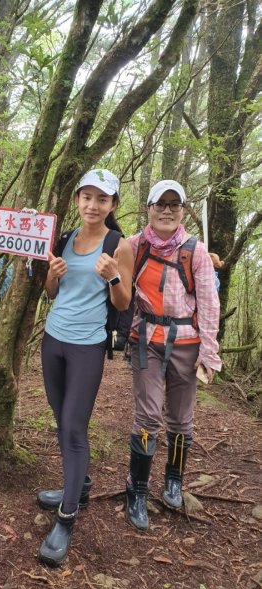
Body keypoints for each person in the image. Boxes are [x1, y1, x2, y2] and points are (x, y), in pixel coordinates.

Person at [36, 169, 134, 567]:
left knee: (74, 429)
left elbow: (124, 303)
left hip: (87, 347)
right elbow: (51, 292)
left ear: (112, 205)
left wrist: (112, 277)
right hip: (52, 340)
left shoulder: (119, 245)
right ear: (77, 200)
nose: (93, 205)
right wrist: (51, 276)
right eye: (86, 197)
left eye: (102, 199)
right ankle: (78, 485)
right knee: (62, 422)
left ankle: (66, 517)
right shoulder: (64, 239)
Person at [125, 180, 221, 530]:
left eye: (174, 204)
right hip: (145, 339)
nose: (166, 210)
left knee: (181, 420)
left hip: (186, 343)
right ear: (148, 208)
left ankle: (174, 479)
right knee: (148, 417)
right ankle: (136, 489)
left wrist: (209, 352)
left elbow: (210, 302)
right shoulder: (135, 246)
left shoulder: (194, 251)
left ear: (182, 210)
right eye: (160, 204)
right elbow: (104, 248)